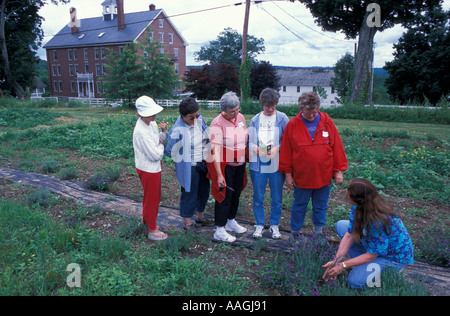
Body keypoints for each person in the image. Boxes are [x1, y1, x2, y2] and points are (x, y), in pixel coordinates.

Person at [279, 91, 348, 242]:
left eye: (314, 111)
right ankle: (295, 233)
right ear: (301, 109)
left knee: (320, 205)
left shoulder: (326, 121)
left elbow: (336, 146)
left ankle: (318, 233)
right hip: (302, 176)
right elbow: (286, 152)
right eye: (308, 112)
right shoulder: (293, 125)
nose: (312, 115)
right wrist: (288, 175)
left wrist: (338, 171)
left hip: (323, 175)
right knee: (299, 205)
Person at [322, 178, 414, 289]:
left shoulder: (378, 220)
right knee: (342, 225)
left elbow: (371, 255)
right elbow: (349, 234)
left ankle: (391, 270)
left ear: (356, 198)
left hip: (392, 257)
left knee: (354, 282)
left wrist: (344, 265)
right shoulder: (358, 206)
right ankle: (362, 265)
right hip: (376, 247)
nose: (346, 191)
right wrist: (336, 261)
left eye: (348, 191)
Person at [164, 97, 214, 230]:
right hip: (189, 167)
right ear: (183, 116)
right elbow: (169, 151)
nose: (195, 120)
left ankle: (200, 218)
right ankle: (188, 223)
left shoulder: (200, 120)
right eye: (191, 117)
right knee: (189, 194)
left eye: (197, 115)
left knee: (204, 192)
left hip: (202, 164)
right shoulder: (177, 130)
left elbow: (205, 135)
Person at [248, 88, 289, 239]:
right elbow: (250, 141)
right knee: (258, 196)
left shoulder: (282, 118)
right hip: (259, 163)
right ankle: (259, 224)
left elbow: (288, 139)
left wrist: (278, 148)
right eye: (267, 106)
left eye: (273, 106)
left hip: (276, 164)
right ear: (261, 104)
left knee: (277, 197)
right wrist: (257, 149)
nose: (271, 109)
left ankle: (274, 225)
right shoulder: (255, 119)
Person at [207, 91, 248, 242]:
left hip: (240, 163)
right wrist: (219, 174)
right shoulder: (217, 123)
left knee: (236, 193)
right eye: (232, 111)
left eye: (238, 109)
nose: (236, 113)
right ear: (223, 110)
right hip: (226, 166)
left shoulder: (241, 118)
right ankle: (219, 229)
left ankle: (231, 221)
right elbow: (215, 151)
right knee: (224, 195)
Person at [133, 96, 168, 241]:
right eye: (150, 113)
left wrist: (162, 133)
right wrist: (161, 141)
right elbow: (156, 154)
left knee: (152, 196)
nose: (154, 115)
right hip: (148, 168)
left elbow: (157, 141)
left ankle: (146, 221)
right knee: (152, 198)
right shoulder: (141, 131)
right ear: (141, 114)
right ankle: (152, 229)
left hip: (152, 167)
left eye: (154, 112)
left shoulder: (150, 123)